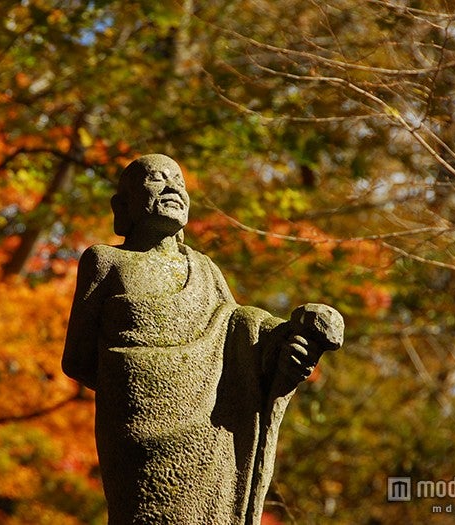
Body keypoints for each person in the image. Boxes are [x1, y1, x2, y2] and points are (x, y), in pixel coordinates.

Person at [62, 154, 342, 525]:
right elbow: (77, 359)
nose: (171, 187)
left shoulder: (205, 269)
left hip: (210, 424)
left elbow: (238, 328)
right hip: (134, 424)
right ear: (123, 205)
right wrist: (134, 379)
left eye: (178, 181)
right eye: (156, 178)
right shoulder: (106, 261)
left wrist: (282, 342)